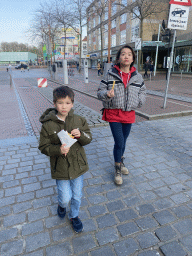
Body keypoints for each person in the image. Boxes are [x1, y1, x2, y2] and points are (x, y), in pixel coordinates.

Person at [38, 86, 92, 233]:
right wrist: (58, 150)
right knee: (65, 197)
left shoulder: (79, 120)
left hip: (78, 166)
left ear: (72, 104)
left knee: (77, 196)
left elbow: (88, 139)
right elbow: (43, 147)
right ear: (54, 103)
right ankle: (61, 205)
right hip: (60, 167)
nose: (64, 106)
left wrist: (81, 135)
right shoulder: (48, 125)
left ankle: (74, 216)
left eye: (68, 103)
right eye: (60, 103)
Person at [97, 45, 146, 185]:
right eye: (123, 54)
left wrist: (139, 101)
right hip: (114, 113)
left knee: (123, 141)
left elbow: (143, 91)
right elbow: (99, 91)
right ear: (118, 58)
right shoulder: (110, 74)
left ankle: (121, 161)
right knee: (119, 141)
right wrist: (106, 94)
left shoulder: (137, 76)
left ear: (132, 58)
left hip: (129, 113)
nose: (126, 56)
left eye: (129, 54)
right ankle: (117, 168)